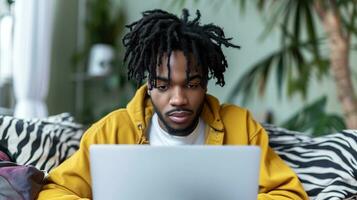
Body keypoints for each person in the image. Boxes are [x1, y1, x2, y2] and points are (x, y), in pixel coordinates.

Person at [37, 9, 308, 200]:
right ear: (149, 85)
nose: (178, 99)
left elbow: (289, 193)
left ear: (205, 84)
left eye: (191, 85)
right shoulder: (112, 131)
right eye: (164, 86)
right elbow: (54, 192)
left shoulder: (241, 126)